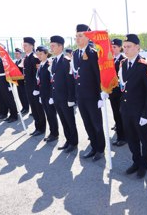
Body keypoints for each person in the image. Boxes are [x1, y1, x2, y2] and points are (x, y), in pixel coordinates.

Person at [119, 34, 147, 178]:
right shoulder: (123, 64)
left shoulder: (144, 66)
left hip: (139, 111)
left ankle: (144, 164)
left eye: (129, 46)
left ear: (137, 48)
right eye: (124, 47)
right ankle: (136, 161)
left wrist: (146, 114)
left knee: (143, 139)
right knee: (131, 138)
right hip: (126, 110)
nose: (125, 49)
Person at [72, 24, 105, 161]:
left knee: (96, 123)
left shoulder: (93, 53)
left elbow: (98, 75)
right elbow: (75, 76)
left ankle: (100, 149)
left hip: (92, 96)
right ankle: (93, 146)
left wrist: (100, 96)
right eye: (76, 36)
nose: (77, 39)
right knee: (87, 123)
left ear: (87, 37)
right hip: (81, 96)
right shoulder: (75, 53)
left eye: (80, 36)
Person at [49, 35, 78, 151]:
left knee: (70, 120)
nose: (51, 48)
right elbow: (53, 80)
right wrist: (52, 95)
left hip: (66, 98)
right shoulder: (54, 60)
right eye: (50, 46)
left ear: (60, 46)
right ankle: (68, 140)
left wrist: (71, 98)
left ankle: (73, 142)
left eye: (53, 46)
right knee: (63, 120)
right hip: (57, 97)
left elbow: (70, 81)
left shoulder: (66, 61)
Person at [0, 45, 18, 123]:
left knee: (10, 99)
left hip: (6, 81)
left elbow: (11, 70)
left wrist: (9, 84)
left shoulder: (5, 58)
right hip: (0, 81)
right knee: (5, 99)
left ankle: (14, 115)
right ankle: (9, 114)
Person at [23, 37, 46, 136]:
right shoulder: (26, 58)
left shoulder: (35, 58)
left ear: (32, 46)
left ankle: (41, 128)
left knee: (38, 108)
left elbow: (38, 75)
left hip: (34, 88)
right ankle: (37, 127)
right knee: (33, 108)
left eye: (26, 45)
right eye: (23, 45)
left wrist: (37, 89)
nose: (24, 47)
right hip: (28, 87)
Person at [35, 46, 59, 142]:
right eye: (37, 54)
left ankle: (54, 133)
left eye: (41, 54)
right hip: (43, 94)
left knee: (52, 115)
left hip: (49, 94)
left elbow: (51, 81)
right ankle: (51, 132)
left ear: (46, 53)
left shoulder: (49, 64)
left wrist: (51, 96)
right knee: (48, 115)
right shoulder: (41, 64)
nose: (39, 56)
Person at [109, 38, 126, 147]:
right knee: (116, 114)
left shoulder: (123, 60)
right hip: (112, 92)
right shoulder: (110, 59)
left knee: (122, 115)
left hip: (121, 93)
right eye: (111, 47)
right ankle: (120, 135)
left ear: (120, 48)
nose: (112, 49)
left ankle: (124, 137)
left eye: (114, 47)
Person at [14, 48, 29, 115]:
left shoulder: (23, 61)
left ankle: (26, 108)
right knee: (20, 95)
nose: (16, 55)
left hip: (23, 82)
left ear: (20, 54)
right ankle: (23, 107)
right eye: (15, 54)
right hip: (18, 82)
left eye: (17, 54)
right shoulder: (16, 62)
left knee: (24, 95)